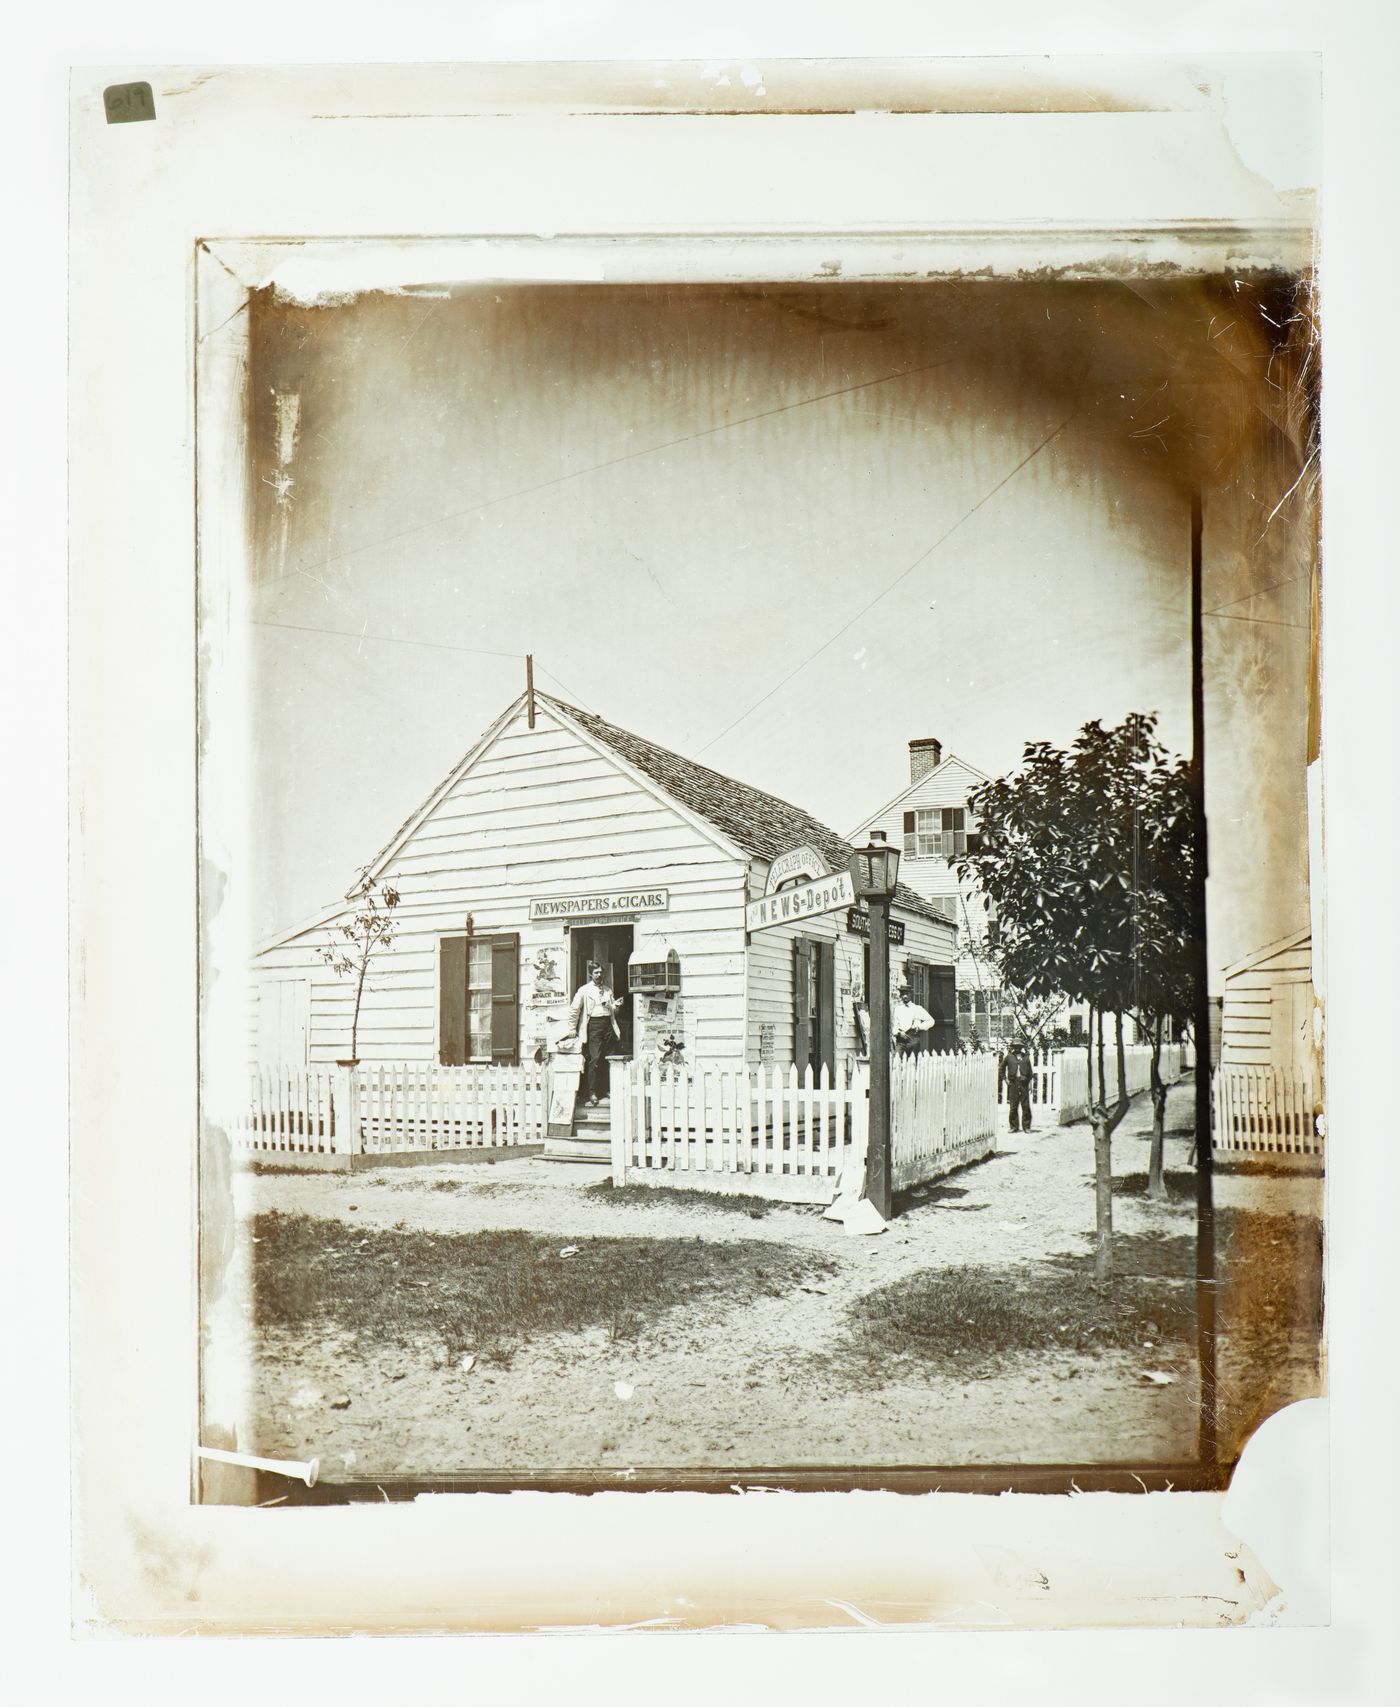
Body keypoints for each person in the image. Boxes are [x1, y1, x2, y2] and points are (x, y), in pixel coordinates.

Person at [569, 962, 623, 1105]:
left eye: (600, 972)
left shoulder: (607, 990)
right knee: (595, 1058)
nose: (599, 975)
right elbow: (574, 1009)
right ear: (590, 974)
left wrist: (615, 1006)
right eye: (596, 973)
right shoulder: (584, 990)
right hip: (594, 1025)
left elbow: (614, 1012)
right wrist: (572, 1028)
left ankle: (607, 1089)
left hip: (608, 1025)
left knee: (609, 1057)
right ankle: (592, 1092)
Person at [891, 980, 936, 1056]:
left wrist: (919, 1027)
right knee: (897, 1060)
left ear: (910, 995)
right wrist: (898, 1033)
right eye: (903, 994)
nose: (905, 996)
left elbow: (931, 1021)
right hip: (900, 1040)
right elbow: (895, 1025)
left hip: (912, 1039)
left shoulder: (917, 1008)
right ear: (901, 996)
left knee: (911, 1062)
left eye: (907, 994)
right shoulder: (898, 1009)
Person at [1000, 1038, 1034, 1133]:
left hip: (1024, 1083)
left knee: (1026, 1106)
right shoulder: (1009, 1057)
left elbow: (1030, 1073)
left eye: (1019, 1047)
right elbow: (1001, 1068)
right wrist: (1005, 1079)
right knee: (1013, 1106)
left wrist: (1030, 1084)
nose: (1017, 1048)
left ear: (1021, 1047)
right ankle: (1014, 1127)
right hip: (1013, 1083)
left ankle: (1026, 1127)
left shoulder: (1026, 1057)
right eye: (1015, 1047)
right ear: (1013, 1047)